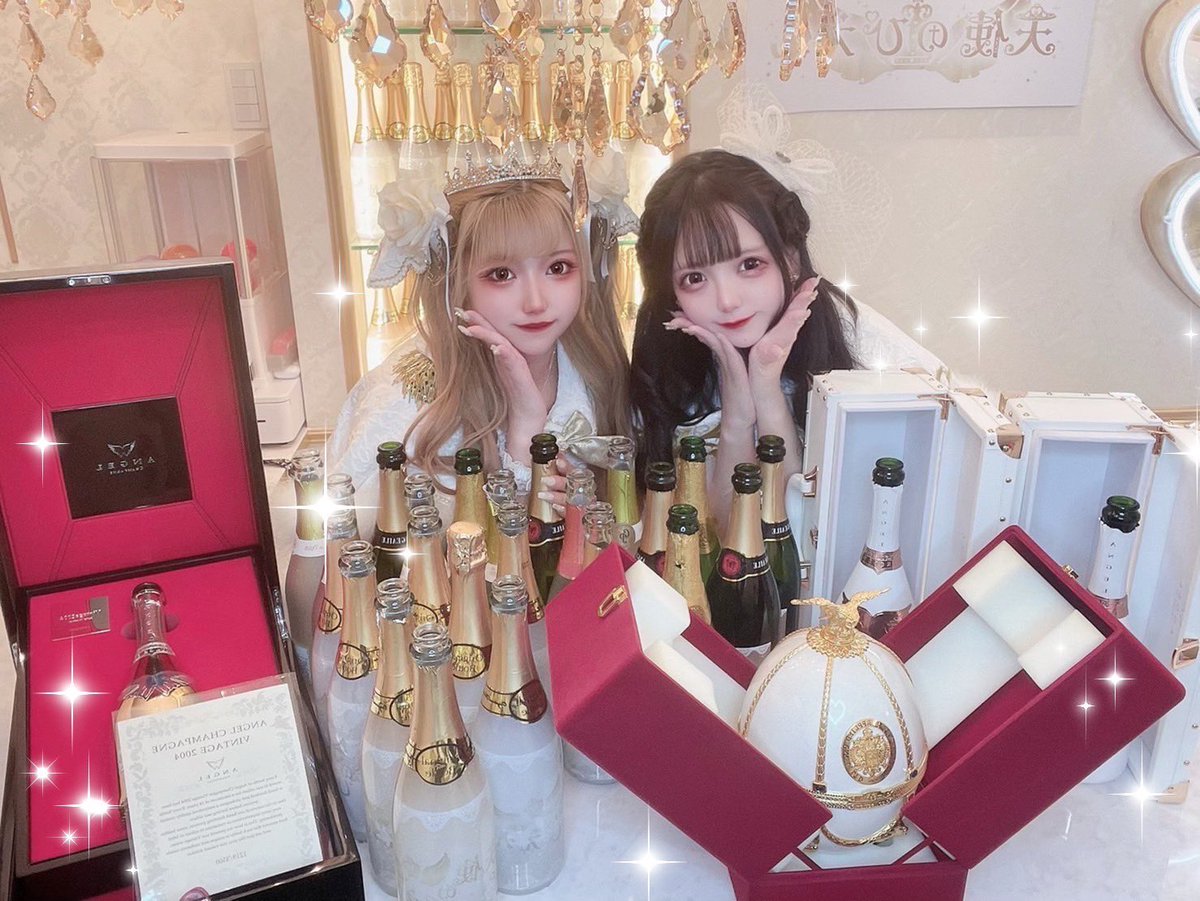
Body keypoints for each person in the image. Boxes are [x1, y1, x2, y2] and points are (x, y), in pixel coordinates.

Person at [630, 149, 945, 522]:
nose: (727, 301)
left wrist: (766, 386)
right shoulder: (670, 352)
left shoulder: (860, 343)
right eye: (695, 278)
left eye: (750, 264)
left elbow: (800, 527)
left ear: (791, 257)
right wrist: (737, 416)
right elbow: (722, 531)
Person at [327, 157, 631, 531]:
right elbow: (338, 553)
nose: (536, 302)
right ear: (458, 280)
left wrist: (587, 518)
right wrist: (525, 431)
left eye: (558, 268)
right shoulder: (408, 400)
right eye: (501, 274)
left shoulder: (594, 370)